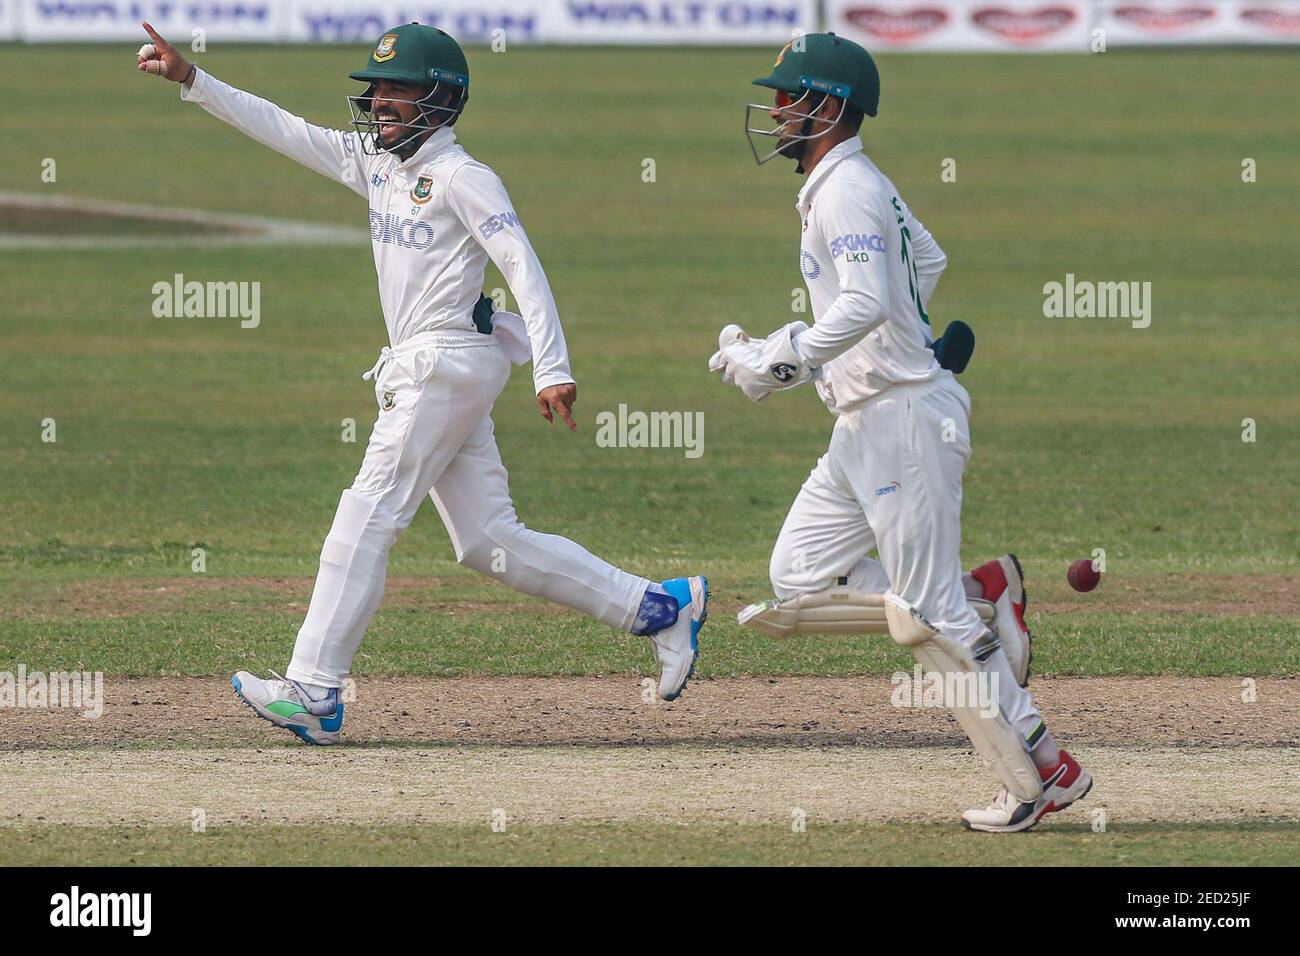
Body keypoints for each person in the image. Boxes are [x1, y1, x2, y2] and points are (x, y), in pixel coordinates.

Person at [135, 21, 707, 745]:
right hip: (429, 364)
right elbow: (283, 127)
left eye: (397, 90)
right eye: (375, 89)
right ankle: (658, 607)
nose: (379, 103)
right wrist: (193, 80)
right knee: (486, 539)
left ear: (440, 99)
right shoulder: (378, 165)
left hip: (443, 365)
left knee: (369, 510)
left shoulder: (466, 178)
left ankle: (313, 690)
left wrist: (555, 368)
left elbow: (521, 264)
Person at [717, 32, 1091, 832]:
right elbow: (925, 260)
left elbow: (864, 304)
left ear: (828, 106)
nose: (776, 110)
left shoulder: (848, 189)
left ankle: (1041, 772)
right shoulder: (847, 185)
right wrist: (893, 342)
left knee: (929, 619)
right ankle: (980, 593)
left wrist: (780, 360)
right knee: (797, 580)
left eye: (789, 97)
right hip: (865, 422)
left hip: (902, 421)